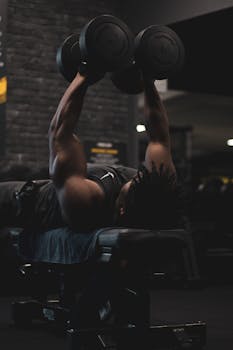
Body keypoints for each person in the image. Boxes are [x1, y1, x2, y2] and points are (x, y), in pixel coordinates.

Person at [0, 71, 184, 233]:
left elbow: (60, 134)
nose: (133, 179)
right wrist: (148, 78)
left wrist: (83, 74)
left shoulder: (85, 200)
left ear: (121, 209)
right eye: (136, 179)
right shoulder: (158, 187)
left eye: (132, 184)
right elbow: (159, 136)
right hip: (50, 181)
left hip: (24, 202)